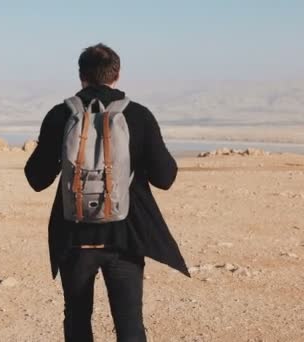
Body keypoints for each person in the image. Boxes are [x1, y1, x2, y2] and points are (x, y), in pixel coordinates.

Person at [24, 43, 189, 342]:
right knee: (129, 324)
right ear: (117, 75)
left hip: (74, 238)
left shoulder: (61, 115)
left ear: (80, 75)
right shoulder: (138, 116)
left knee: (76, 318)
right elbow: (166, 177)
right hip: (125, 239)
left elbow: (36, 178)